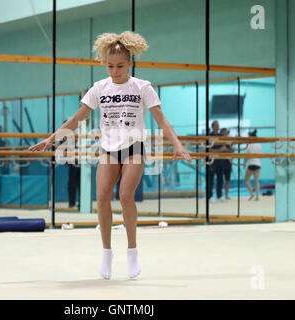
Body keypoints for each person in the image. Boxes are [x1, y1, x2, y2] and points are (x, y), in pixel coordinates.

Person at [28, 31, 191, 280]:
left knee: (126, 195)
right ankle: (106, 252)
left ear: (130, 64)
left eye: (120, 66)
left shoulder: (142, 87)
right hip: (108, 149)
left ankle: (132, 251)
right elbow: (76, 118)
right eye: (110, 66)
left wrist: (177, 145)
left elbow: (162, 119)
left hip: (134, 147)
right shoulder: (99, 88)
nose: (115, 71)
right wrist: (51, 139)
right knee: (102, 196)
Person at [208, 120, 224, 203]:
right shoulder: (209, 136)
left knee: (220, 178)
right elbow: (208, 149)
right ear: (213, 127)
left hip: (219, 159)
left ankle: (219, 195)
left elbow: (223, 148)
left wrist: (215, 151)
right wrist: (216, 151)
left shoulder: (220, 136)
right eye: (216, 125)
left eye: (218, 125)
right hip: (211, 159)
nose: (218, 127)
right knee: (210, 179)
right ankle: (210, 196)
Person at [244, 129, 262, 201]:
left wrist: (244, 163)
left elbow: (246, 155)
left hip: (251, 164)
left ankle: (252, 194)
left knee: (246, 180)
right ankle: (257, 196)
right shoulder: (259, 144)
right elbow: (260, 155)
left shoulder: (249, 145)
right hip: (258, 164)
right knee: (256, 181)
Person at [220, 128, 233, 200]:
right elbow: (220, 150)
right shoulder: (219, 141)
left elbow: (231, 150)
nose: (225, 134)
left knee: (227, 179)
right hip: (221, 161)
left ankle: (226, 194)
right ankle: (220, 194)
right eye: (224, 132)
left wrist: (227, 150)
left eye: (226, 132)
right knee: (220, 179)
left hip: (228, 161)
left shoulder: (229, 141)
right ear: (222, 133)